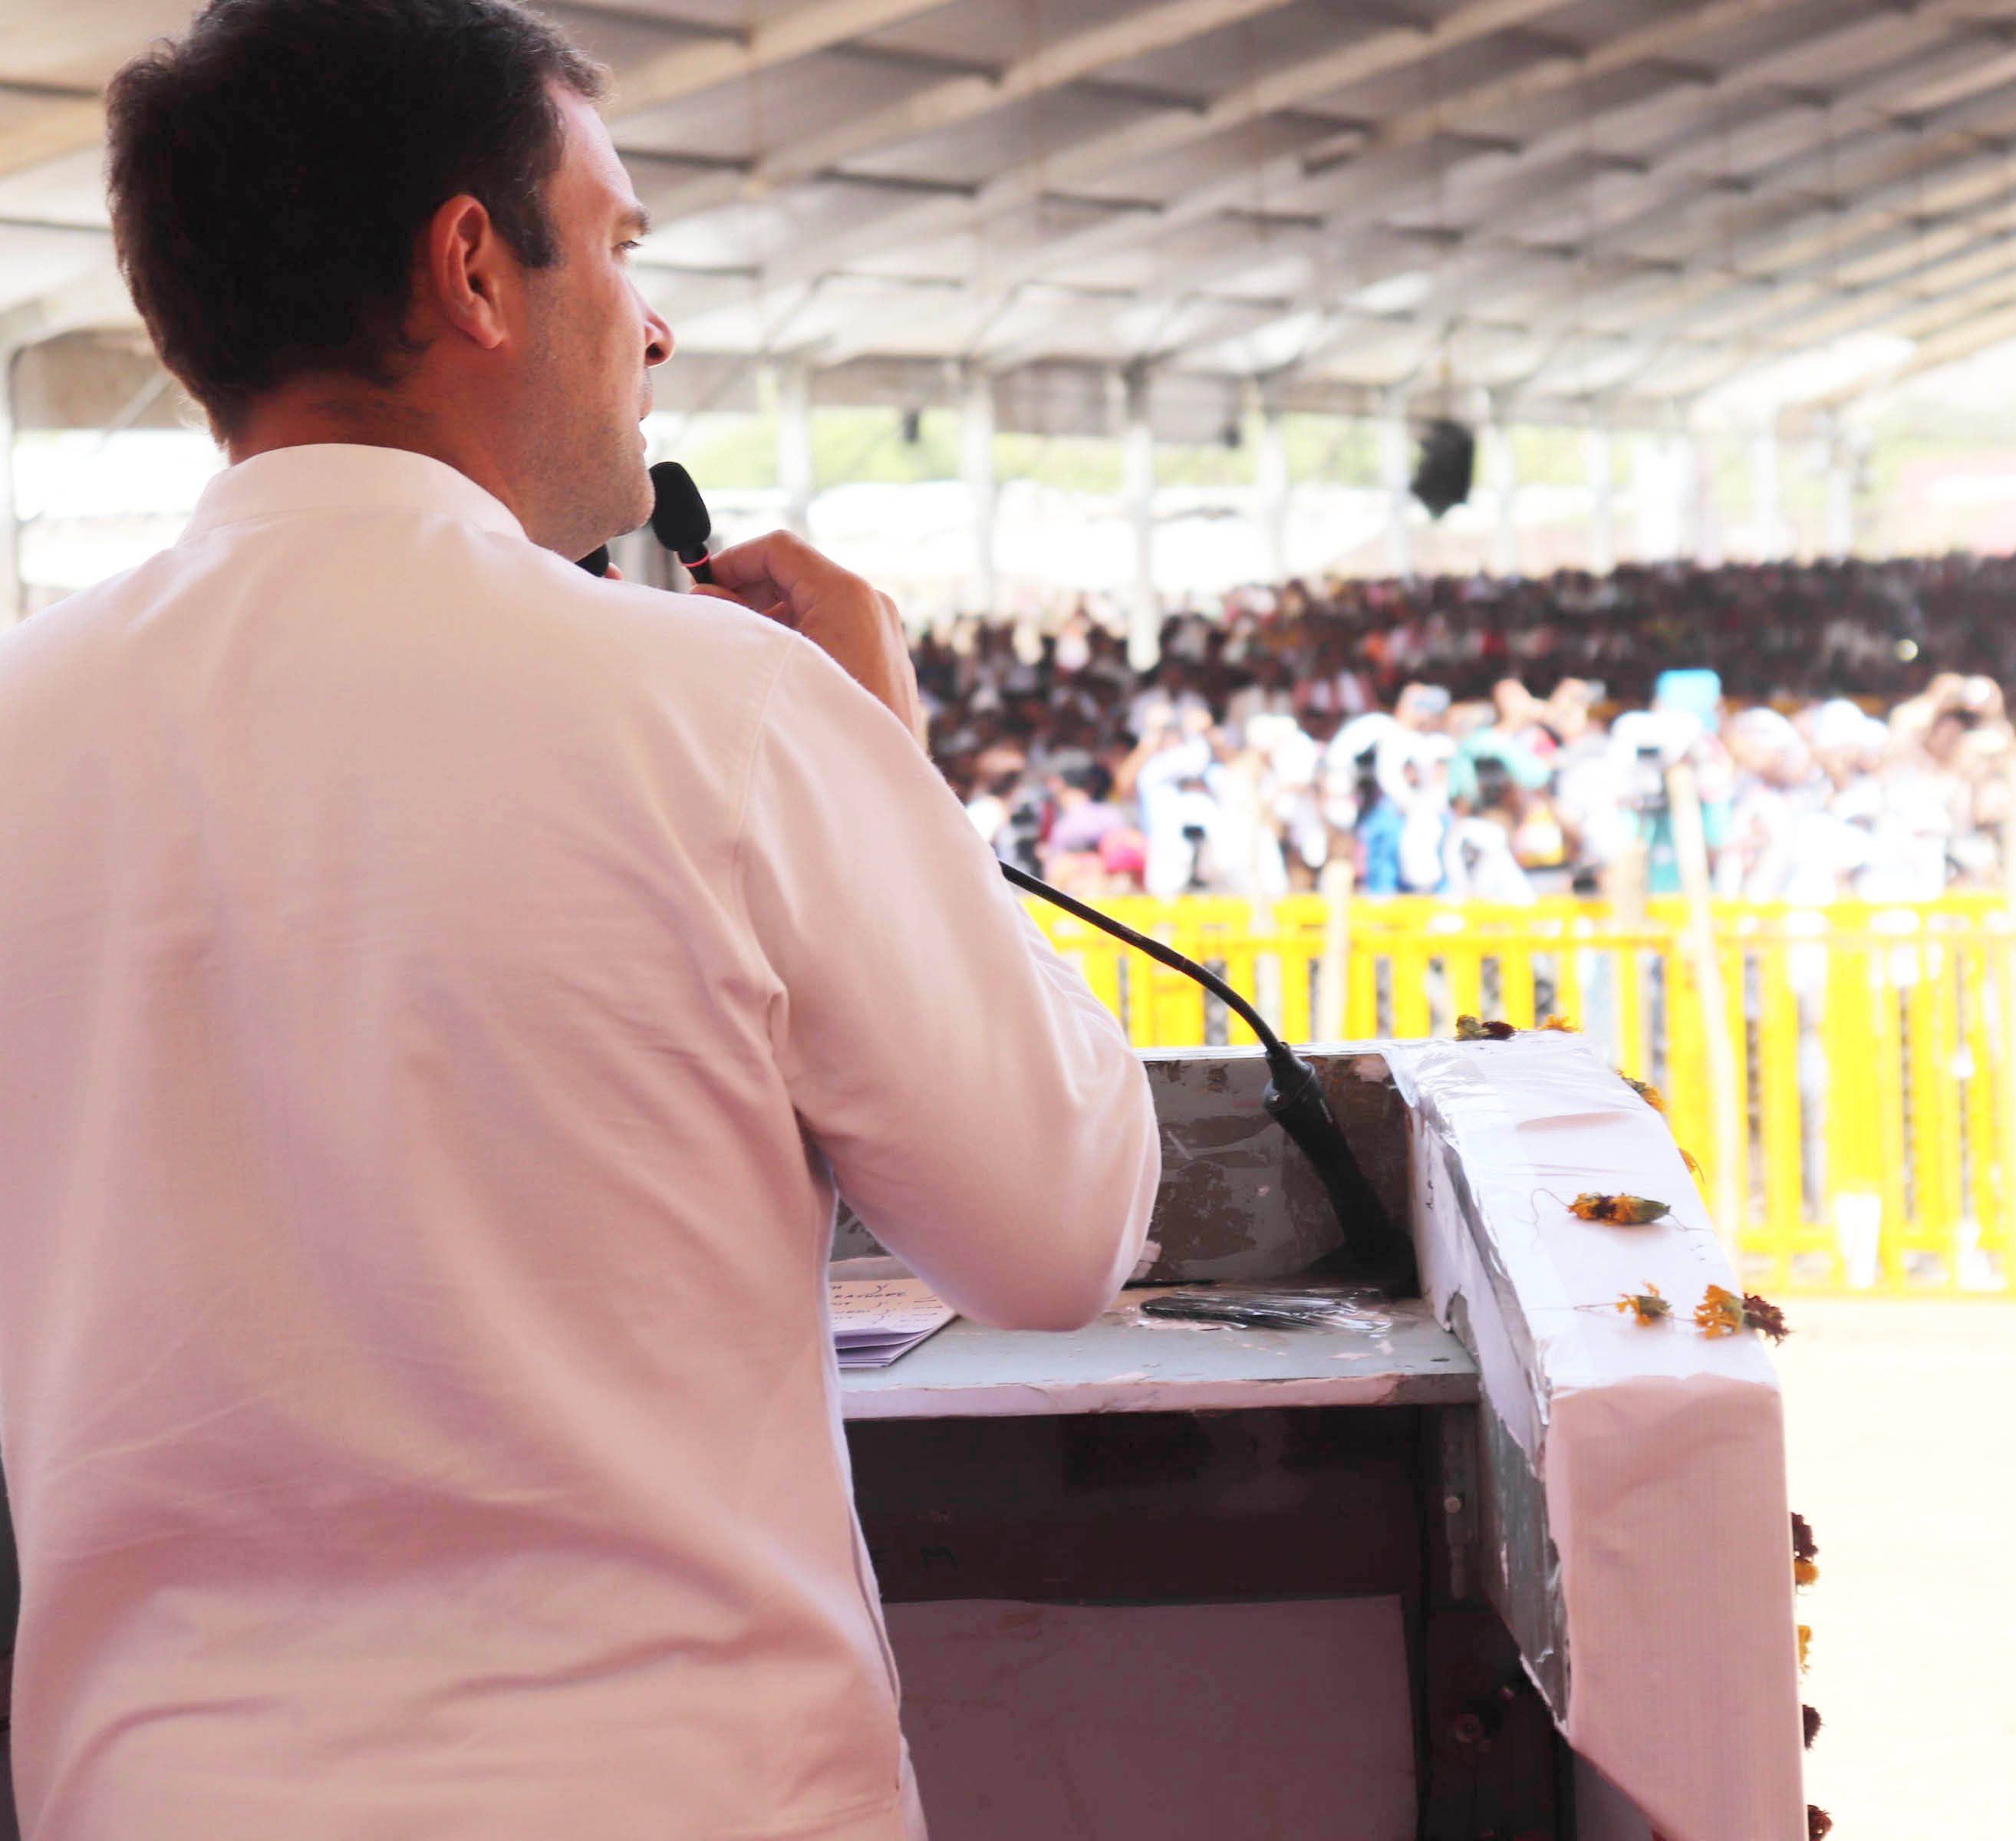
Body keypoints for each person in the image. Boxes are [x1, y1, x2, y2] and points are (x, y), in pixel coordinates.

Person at [0, 5, 1161, 1836]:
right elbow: (1058, 1228)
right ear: (474, 265)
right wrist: (895, 767)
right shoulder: (728, 712)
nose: (654, 322)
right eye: (619, 244)